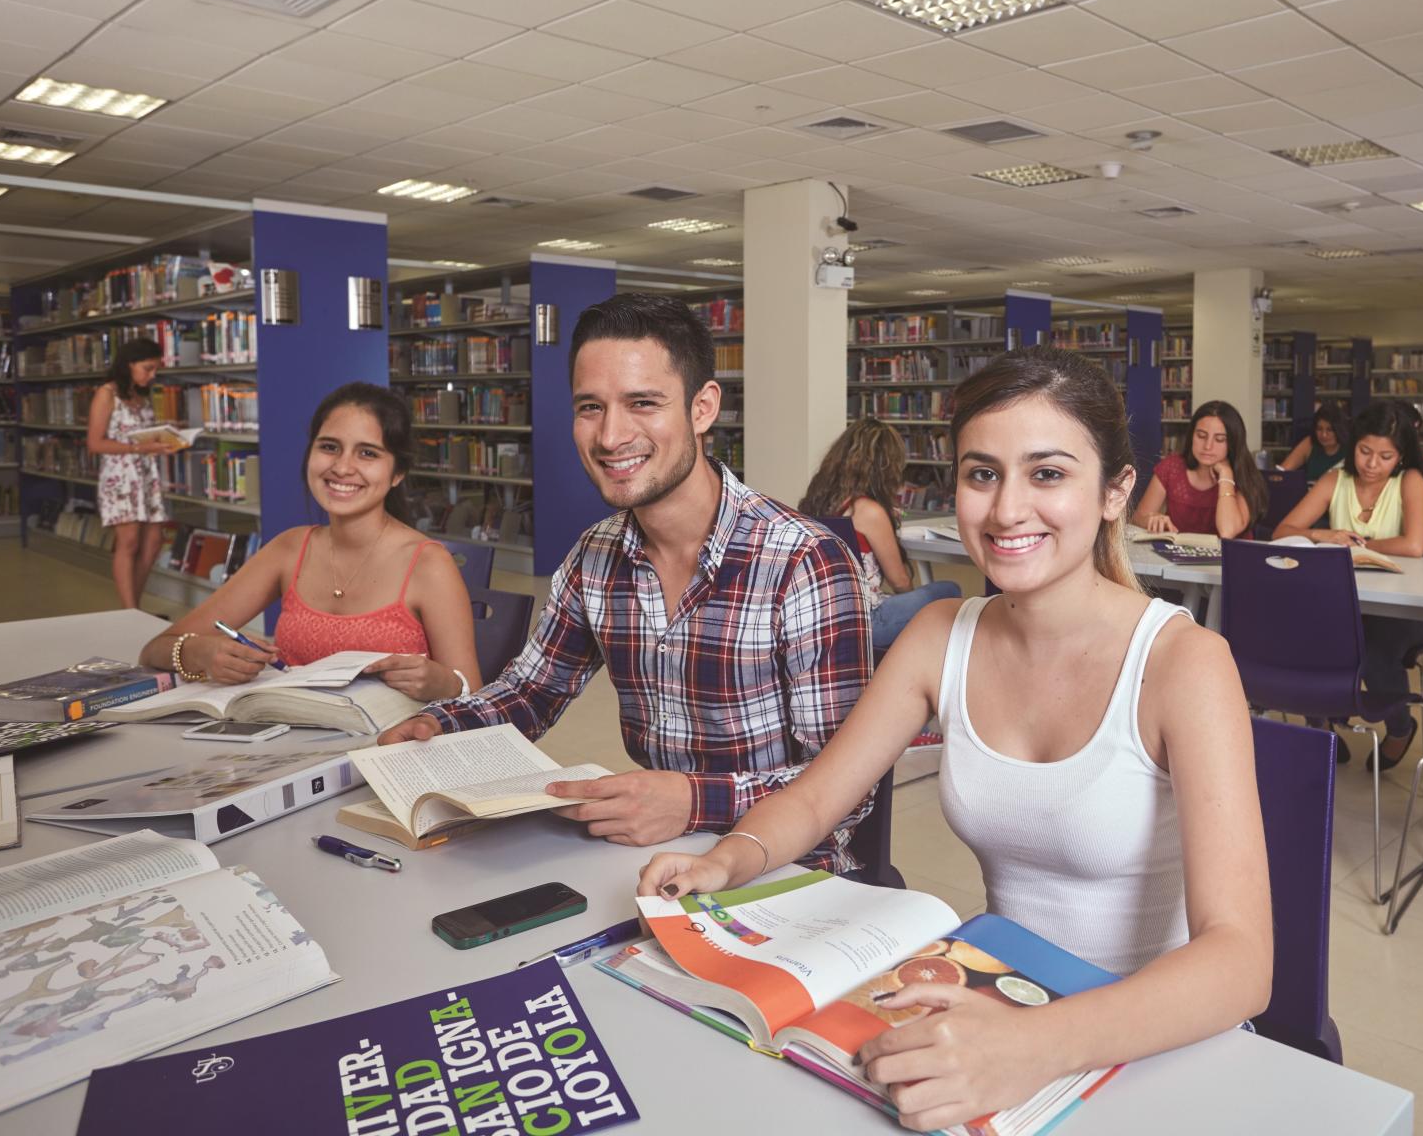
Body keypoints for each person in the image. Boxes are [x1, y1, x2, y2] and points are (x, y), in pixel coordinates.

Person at [635, 345, 1271, 1132]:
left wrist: (1035, 1046)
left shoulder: (1184, 663)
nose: (1006, 510)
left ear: (1116, 492)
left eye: (1047, 474)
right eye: (981, 474)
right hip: (1004, 1003)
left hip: (1156, 1047)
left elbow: (1242, 961)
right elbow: (818, 796)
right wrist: (727, 859)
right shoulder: (942, 634)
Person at [377, 295, 874, 870]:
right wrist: (439, 724)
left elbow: (847, 787)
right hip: (657, 851)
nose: (611, 437)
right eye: (591, 407)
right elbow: (532, 692)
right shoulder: (595, 555)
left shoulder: (803, 562)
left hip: (789, 867)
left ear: (702, 408)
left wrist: (692, 801)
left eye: (643, 403)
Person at [139, 383, 479, 700]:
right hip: (289, 742)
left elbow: (475, 696)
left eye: (368, 454)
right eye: (329, 447)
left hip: (391, 751)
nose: (343, 467)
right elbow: (155, 648)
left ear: (398, 473)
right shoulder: (289, 549)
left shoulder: (428, 565)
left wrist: (442, 683)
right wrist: (201, 651)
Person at [1271, 401, 1423, 771]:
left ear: (1401, 456)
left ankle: (1398, 726)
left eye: (1385, 456)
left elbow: (1414, 545)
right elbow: (1284, 530)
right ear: (1353, 446)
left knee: (1373, 650)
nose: (1372, 464)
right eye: (1364, 451)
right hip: (1343, 602)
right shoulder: (1335, 479)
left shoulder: (1410, 482)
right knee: (1309, 642)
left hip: (1404, 606)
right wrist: (1324, 534)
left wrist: (1359, 544)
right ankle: (1323, 725)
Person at [798, 417, 960, 650]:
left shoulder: (817, 503)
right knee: (949, 590)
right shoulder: (868, 511)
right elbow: (899, 581)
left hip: (823, 618)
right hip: (865, 622)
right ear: (884, 467)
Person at [88, 337, 185, 609]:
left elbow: (143, 436)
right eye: (147, 368)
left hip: (146, 474)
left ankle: (134, 605)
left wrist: (162, 443)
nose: (152, 375)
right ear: (129, 365)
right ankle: (130, 610)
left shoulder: (140, 398)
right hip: (120, 477)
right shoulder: (107, 395)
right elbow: (95, 443)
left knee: (154, 542)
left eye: (155, 369)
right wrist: (141, 447)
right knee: (128, 542)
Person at [1132, 400, 1267, 538]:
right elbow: (1137, 518)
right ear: (1191, 436)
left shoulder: (1245, 476)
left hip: (1231, 558)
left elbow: (1227, 531)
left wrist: (1226, 475)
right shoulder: (1172, 467)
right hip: (1178, 557)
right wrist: (1151, 520)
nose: (1208, 446)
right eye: (1201, 436)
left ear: (1233, 443)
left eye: (1219, 439)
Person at [1276, 404, 1347, 479]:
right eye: (1319, 429)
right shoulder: (1309, 443)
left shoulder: (1351, 448)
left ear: (1339, 430)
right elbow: (1282, 471)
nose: (1324, 435)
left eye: (1329, 430)